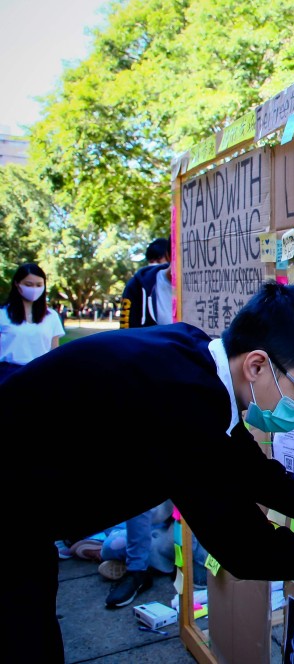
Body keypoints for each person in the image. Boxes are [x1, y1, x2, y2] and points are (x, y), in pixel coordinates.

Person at [0, 281, 294, 662]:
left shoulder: (194, 359)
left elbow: (251, 470)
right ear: (258, 364)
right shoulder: (183, 403)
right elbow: (251, 552)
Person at [103, 237, 176, 609]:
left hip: (191, 400)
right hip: (148, 396)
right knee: (137, 485)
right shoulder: (143, 285)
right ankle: (135, 568)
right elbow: (126, 339)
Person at [0, 263, 65, 384]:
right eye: (28, 284)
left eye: (39, 285)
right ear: (17, 284)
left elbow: (54, 352)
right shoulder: (2, 314)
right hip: (7, 374)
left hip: (40, 374)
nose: (34, 289)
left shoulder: (51, 316)